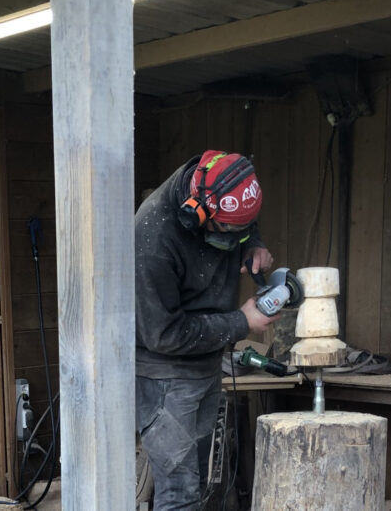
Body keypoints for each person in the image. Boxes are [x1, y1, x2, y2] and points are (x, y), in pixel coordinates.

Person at [135, 150, 278, 510]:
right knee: (179, 495)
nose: (234, 239)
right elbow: (163, 334)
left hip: (205, 366)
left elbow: (243, 224)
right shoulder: (153, 239)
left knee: (198, 486)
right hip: (165, 379)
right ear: (196, 212)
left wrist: (253, 243)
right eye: (229, 231)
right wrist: (241, 322)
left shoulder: (223, 182)